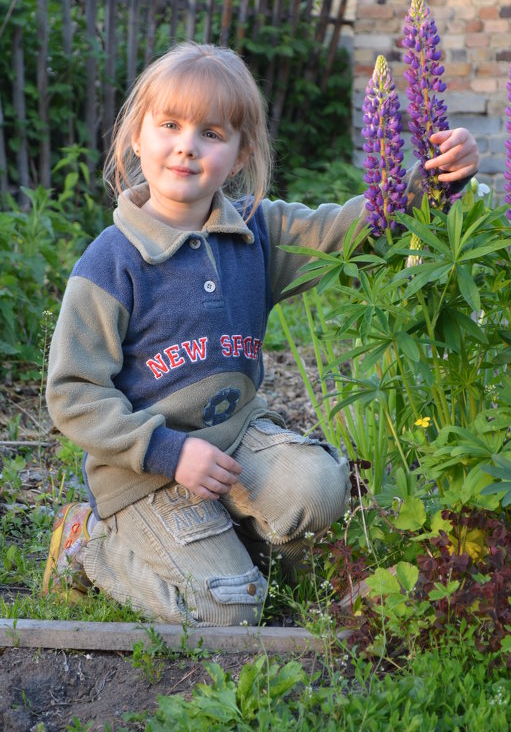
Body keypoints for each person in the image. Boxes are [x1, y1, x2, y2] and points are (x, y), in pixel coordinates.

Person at [43, 42, 480, 626]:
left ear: (241, 150)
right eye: (169, 124)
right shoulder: (111, 263)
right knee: (227, 612)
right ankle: (89, 544)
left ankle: (229, 539)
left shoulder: (256, 231)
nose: (186, 146)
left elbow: (348, 228)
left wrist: (432, 180)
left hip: (238, 443)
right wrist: (170, 453)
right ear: (135, 135)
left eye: (211, 133)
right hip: (144, 472)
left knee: (322, 489)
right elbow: (73, 393)